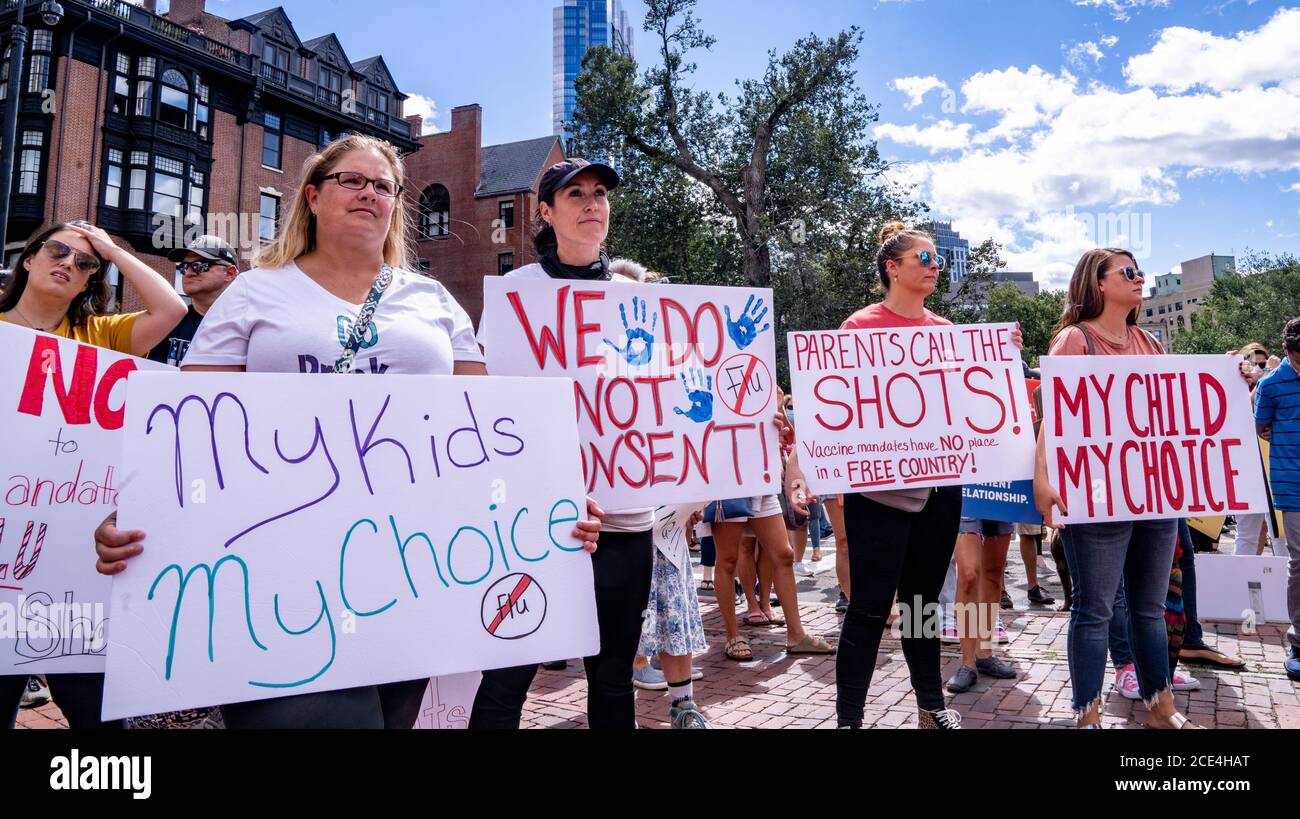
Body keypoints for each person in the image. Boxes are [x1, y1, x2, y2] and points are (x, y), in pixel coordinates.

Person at [92, 135, 601, 728]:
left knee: (389, 717)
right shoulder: (256, 291)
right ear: (312, 196)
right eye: (352, 181)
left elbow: (488, 423)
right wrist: (136, 505)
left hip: (410, 570)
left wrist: (550, 502)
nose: (370, 194)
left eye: (383, 186)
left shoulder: (431, 299)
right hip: (276, 571)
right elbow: (188, 422)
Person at [785, 221, 1022, 729]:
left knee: (921, 606)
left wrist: (1002, 355)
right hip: (880, 495)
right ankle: (850, 718)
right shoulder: (859, 327)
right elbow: (833, 410)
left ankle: (930, 707)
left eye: (937, 260)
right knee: (871, 606)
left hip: (940, 490)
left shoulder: (947, 333)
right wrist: (804, 468)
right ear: (893, 268)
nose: (935, 266)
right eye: (926, 258)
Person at [468, 158, 658, 729]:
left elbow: (668, 397)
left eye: (600, 193)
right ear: (546, 212)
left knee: (612, 674)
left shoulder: (635, 295)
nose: (591, 203)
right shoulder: (514, 295)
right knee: (509, 671)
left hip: (625, 513)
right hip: (537, 517)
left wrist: (742, 429)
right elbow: (486, 402)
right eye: (575, 193)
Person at [1, 220, 186, 730]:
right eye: (57, 251)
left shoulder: (99, 336)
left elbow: (171, 309)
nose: (69, 264)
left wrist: (110, 248)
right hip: (4, 550)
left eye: (84, 264)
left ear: (90, 281)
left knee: (100, 725)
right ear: (29, 259)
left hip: (75, 564)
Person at [1033, 247, 1204, 729]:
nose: (1139, 277)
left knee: (1150, 609)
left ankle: (1160, 707)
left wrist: (1228, 384)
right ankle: (1087, 715)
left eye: (1140, 270)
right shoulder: (1075, 340)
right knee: (1095, 609)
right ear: (1098, 284)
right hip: (1096, 496)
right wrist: (1042, 477)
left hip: (1153, 492)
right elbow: (1055, 416)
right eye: (1127, 272)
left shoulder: (1149, 342)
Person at [1255, 317, 1300, 681]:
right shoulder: (1271, 384)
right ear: (1286, 351)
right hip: (1292, 484)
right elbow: (1260, 427)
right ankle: (1299, 640)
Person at [945, 518, 1018, 693]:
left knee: (994, 572)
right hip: (966, 497)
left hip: (1001, 497)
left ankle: (984, 653)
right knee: (968, 575)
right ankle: (968, 662)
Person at [149, 235, 241, 366]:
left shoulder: (247, 326)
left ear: (230, 273)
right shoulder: (169, 323)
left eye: (199, 265)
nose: (188, 273)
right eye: (184, 266)